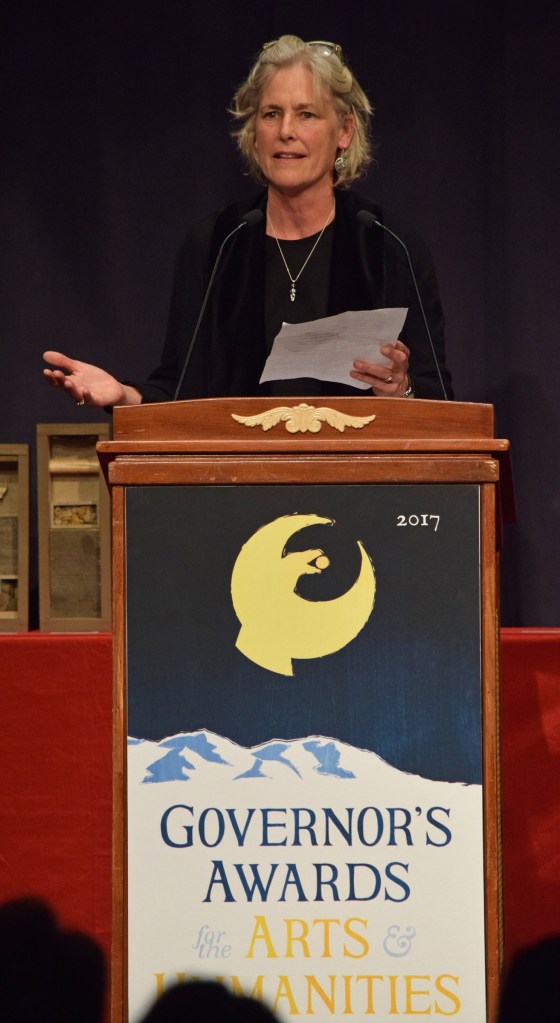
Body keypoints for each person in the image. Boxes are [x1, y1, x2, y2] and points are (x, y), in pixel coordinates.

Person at [43, 36, 452, 406]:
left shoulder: (386, 242)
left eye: (306, 114)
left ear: (344, 131)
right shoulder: (219, 242)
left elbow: (439, 395)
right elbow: (179, 391)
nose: (286, 131)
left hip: (359, 484)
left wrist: (403, 389)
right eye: (272, 114)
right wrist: (125, 397)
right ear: (254, 132)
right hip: (238, 485)